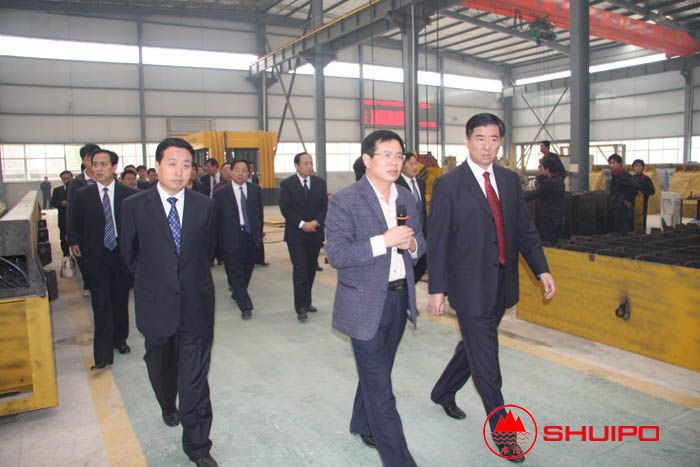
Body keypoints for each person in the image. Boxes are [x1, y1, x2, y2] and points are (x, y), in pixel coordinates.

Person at [428, 113, 555, 462]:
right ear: (467, 140)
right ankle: (505, 435)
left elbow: (524, 230)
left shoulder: (509, 181)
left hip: (502, 282)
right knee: (487, 363)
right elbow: (437, 239)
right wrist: (437, 288)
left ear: (501, 142)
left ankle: (443, 391)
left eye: (494, 139)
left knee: (474, 347)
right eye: (480, 138)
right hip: (468, 286)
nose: (487, 146)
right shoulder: (449, 184)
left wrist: (542, 269)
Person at [326, 130, 425, 467]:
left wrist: (412, 244)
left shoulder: (406, 197)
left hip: (398, 298)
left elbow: (420, 240)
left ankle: (361, 422)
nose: (395, 162)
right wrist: (384, 240)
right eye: (386, 155)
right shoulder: (345, 200)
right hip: (363, 304)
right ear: (367, 160)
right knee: (381, 389)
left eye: (399, 156)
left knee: (378, 371)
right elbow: (337, 254)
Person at [120, 138, 218, 467]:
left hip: (196, 305)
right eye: (172, 164)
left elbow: (207, 252)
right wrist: (156, 282)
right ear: (158, 166)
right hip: (155, 306)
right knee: (162, 370)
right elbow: (129, 255)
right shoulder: (135, 206)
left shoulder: (205, 206)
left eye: (186, 165)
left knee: (194, 380)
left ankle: (198, 445)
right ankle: (166, 402)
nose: (179, 171)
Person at [68, 149, 136, 370]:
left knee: (120, 300)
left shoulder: (128, 194)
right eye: (95, 164)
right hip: (95, 255)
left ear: (114, 167)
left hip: (121, 255)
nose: (97, 168)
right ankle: (102, 355)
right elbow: (73, 220)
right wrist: (74, 241)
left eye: (103, 164)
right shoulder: (82, 195)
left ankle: (120, 339)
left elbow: (136, 227)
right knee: (100, 302)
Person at [279, 152, 328, 322]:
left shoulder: (319, 183)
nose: (309, 166)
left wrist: (316, 222)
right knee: (300, 269)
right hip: (296, 234)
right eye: (306, 163)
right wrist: (302, 224)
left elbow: (324, 206)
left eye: (311, 163)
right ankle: (300, 306)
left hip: (315, 233)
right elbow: (285, 209)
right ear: (296, 165)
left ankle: (307, 302)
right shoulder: (287, 184)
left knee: (310, 269)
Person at [214, 159, 264, 320]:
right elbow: (216, 219)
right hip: (231, 236)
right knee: (235, 271)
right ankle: (245, 306)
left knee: (247, 269)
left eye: (244, 170)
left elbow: (259, 214)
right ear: (231, 172)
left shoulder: (255, 190)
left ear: (249, 173)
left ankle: (238, 292)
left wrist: (259, 233)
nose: (240, 173)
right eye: (237, 170)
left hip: (250, 235)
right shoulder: (221, 193)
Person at [67, 143, 101, 296]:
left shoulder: (107, 179)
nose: (93, 163)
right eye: (89, 159)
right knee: (87, 262)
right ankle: (89, 284)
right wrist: (73, 239)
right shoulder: (76, 184)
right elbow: (71, 212)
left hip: (105, 231)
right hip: (85, 232)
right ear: (83, 161)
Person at [395, 152, 427, 282]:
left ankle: (410, 283)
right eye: (411, 164)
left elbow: (422, 209)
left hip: (421, 232)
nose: (415, 167)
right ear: (402, 166)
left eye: (416, 163)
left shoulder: (420, 183)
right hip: (407, 231)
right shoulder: (397, 184)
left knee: (423, 263)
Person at [524, 157, 566, 245]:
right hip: (559, 214)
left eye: (542, 168)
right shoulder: (560, 180)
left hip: (548, 216)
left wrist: (521, 197)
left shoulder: (549, 183)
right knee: (555, 239)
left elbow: (536, 194)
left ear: (547, 169)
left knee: (548, 240)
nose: (541, 170)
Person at [607, 153, 637, 235]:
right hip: (617, 204)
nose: (611, 165)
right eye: (610, 163)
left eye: (614, 163)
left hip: (623, 206)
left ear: (619, 164)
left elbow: (633, 187)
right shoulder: (615, 175)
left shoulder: (623, 174)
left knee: (623, 227)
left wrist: (628, 199)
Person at [51, 170, 73, 257]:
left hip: (76, 219)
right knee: (63, 238)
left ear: (72, 178)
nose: (66, 180)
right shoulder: (57, 190)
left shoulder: (78, 189)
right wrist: (61, 203)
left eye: (68, 178)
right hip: (63, 218)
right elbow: (53, 202)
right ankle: (66, 256)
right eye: (64, 179)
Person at [632, 159, 655, 233]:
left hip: (642, 204)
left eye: (639, 166)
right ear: (633, 167)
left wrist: (642, 192)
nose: (637, 168)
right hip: (632, 203)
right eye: (636, 166)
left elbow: (652, 191)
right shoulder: (631, 178)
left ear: (643, 168)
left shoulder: (646, 179)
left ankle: (642, 233)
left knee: (642, 218)